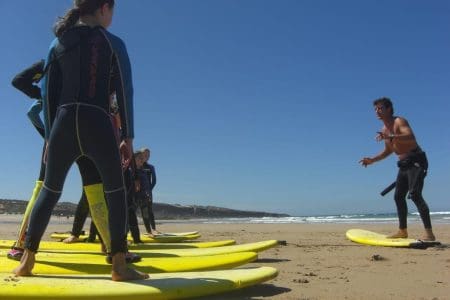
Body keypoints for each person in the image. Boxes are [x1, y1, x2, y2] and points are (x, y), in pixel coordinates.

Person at [13, 0, 148, 281]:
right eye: (113, 11)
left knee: (50, 191)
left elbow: (50, 93)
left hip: (62, 123)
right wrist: (128, 137)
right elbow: (125, 91)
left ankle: (26, 261)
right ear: (104, 9)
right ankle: (119, 266)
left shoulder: (58, 43)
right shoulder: (113, 43)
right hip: (96, 122)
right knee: (115, 192)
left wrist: (50, 136)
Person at [8, 61, 112, 262]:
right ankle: (111, 248)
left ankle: (21, 246)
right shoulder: (87, 60)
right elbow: (19, 83)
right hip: (85, 134)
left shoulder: (51, 59)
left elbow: (21, 84)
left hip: (57, 135)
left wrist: (45, 99)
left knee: (44, 188)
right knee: (94, 189)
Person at [359, 97, 436, 241]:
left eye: (380, 108)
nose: (377, 111)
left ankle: (429, 233)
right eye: (375, 109)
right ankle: (402, 231)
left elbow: (411, 137)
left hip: (416, 161)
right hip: (404, 164)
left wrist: (392, 135)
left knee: (415, 194)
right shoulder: (384, 129)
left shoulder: (399, 121)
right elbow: (389, 150)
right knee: (398, 196)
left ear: (389, 109)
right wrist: (372, 160)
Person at [140, 148, 159, 235]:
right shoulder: (136, 166)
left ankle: (153, 229)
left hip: (147, 192)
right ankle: (148, 231)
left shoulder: (151, 167)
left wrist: (149, 190)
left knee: (149, 211)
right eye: (145, 154)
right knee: (142, 211)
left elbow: (154, 180)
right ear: (141, 154)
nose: (147, 156)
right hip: (137, 192)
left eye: (148, 155)